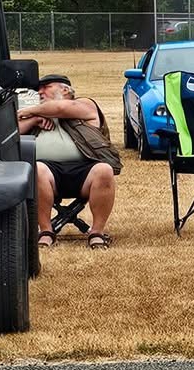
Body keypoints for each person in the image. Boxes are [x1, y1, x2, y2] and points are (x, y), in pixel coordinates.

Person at [17, 74, 120, 249]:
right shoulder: (37, 114)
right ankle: (46, 231)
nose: (39, 92)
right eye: (38, 89)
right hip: (48, 172)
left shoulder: (85, 105)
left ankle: (97, 232)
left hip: (86, 170)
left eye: (46, 87)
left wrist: (30, 111)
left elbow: (63, 108)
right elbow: (13, 133)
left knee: (104, 170)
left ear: (64, 89)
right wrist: (34, 120)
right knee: (37, 169)